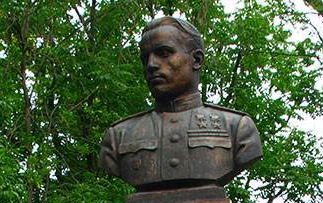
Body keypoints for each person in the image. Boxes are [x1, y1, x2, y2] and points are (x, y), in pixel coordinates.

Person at [100, 16, 262, 191]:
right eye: (145, 58)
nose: (151, 65)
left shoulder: (237, 128)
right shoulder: (118, 136)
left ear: (196, 60)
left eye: (163, 53)